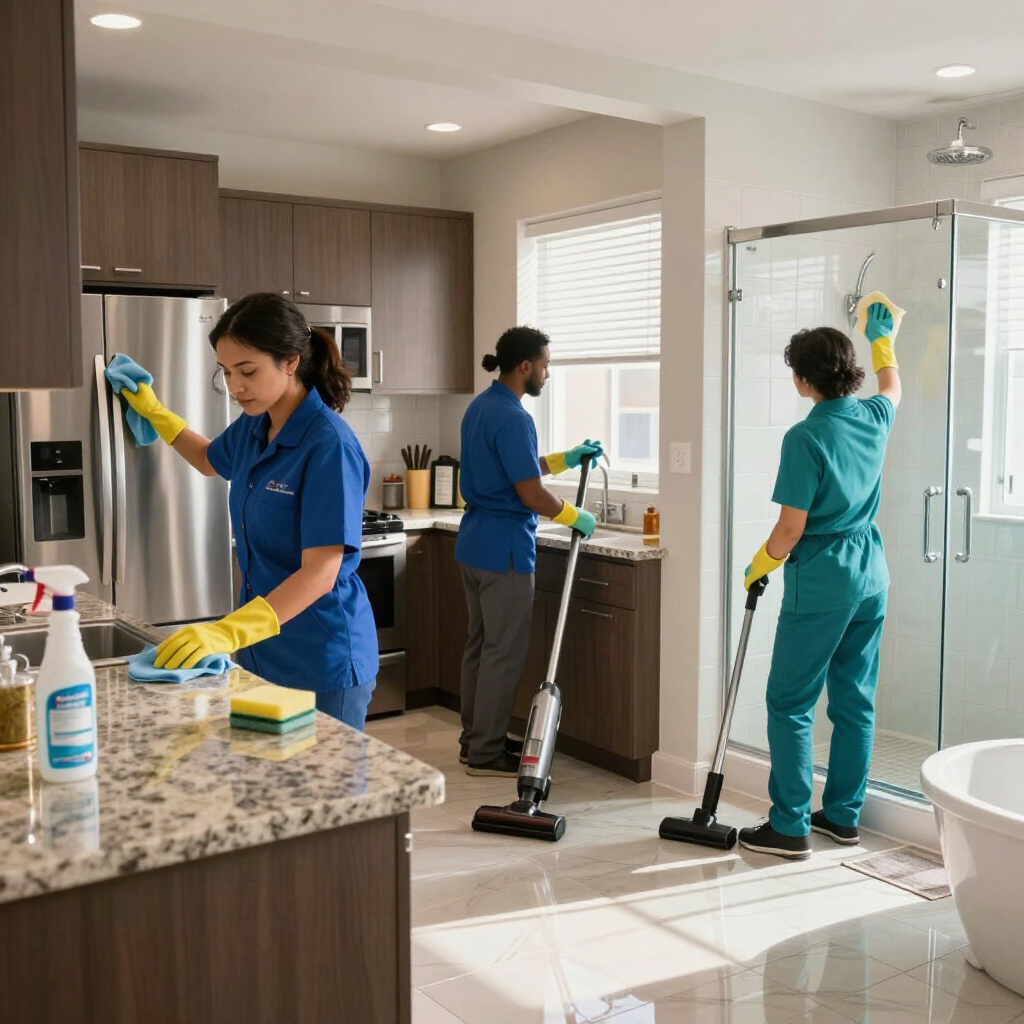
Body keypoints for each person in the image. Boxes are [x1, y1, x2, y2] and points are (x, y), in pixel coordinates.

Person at [111, 293, 379, 731]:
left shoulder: (328, 445)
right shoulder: (258, 424)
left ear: (290, 362)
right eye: (227, 372)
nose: (235, 387)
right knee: (269, 788)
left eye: (248, 371)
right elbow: (209, 459)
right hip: (261, 652)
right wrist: (154, 411)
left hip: (320, 656)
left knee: (327, 795)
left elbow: (321, 572)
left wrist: (226, 631)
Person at [737, 299, 903, 859]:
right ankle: (841, 816)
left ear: (804, 379)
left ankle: (788, 826)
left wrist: (758, 565)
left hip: (825, 579)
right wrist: (884, 339)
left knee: (789, 702)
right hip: (871, 574)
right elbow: (893, 387)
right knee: (854, 702)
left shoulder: (804, 438)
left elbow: (789, 530)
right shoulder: (875, 417)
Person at [456, 326, 602, 777]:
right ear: (525, 366)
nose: (547, 373)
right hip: (505, 551)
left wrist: (563, 458)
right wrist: (576, 515)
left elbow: (516, 469)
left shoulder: (482, 407)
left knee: (480, 647)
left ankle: (473, 739)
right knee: (504, 653)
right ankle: (486, 751)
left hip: (475, 542)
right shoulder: (514, 417)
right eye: (545, 364)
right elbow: (532, 495)